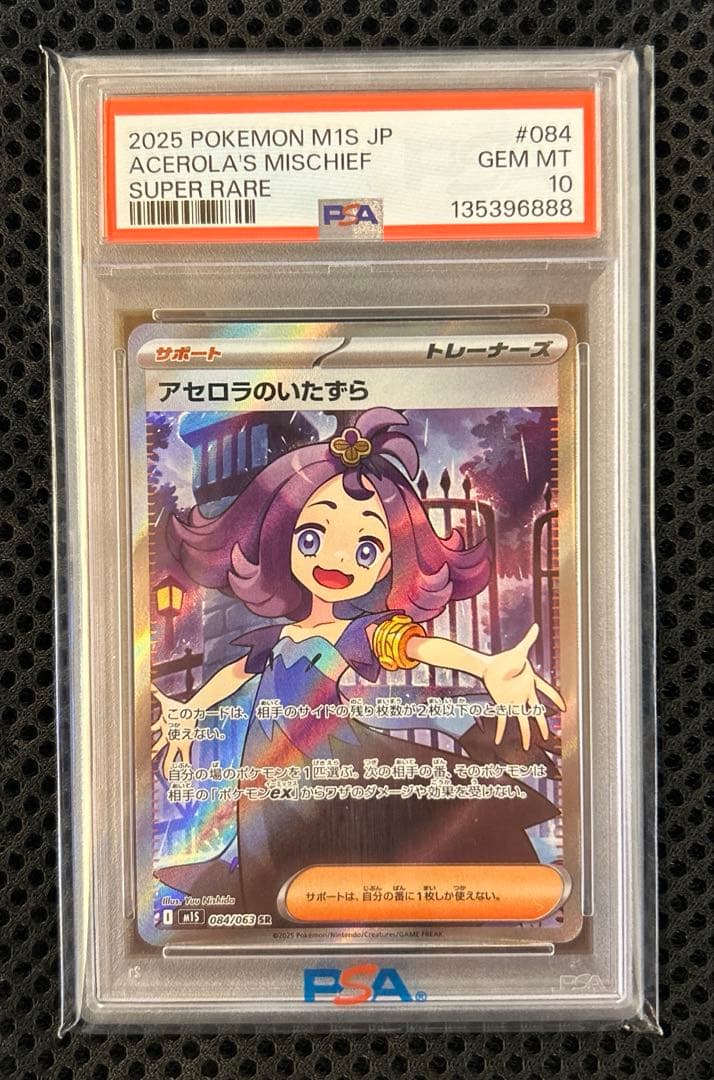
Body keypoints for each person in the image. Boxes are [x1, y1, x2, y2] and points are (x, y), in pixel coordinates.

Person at [151, 408, 564, 922]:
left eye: (365, 548)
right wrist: (190, 711)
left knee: (331, 835)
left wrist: (484, 667)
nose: (337, 560)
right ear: (281, 538)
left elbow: (415, 646)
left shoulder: (352, 634)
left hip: (327, 758)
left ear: (388, 562)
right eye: (312, 538)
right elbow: (236, 674)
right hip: (267, 764)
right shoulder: (283, 636)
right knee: (267, 835)